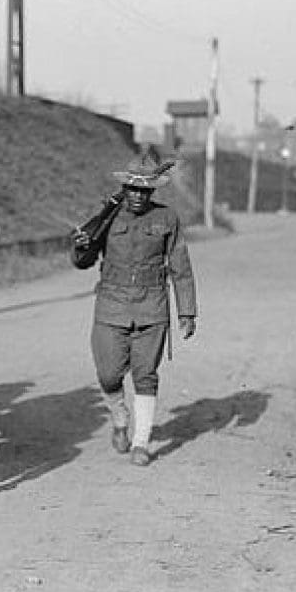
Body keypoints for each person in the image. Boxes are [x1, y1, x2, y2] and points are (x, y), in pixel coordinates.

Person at [71, 149, 197, 466]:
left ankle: (141, 443)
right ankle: (119, 416)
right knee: (108, 374)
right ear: (125, 188)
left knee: (145, 374)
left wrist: (187, 311)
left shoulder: (167, 218)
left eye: (145, 190)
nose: (139, 196)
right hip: (111, 306)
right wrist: (81, 246)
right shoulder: (108, 217)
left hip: (152, 306)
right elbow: (83, 262)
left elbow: (181, 266)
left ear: (152, 190)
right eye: (133, 188)